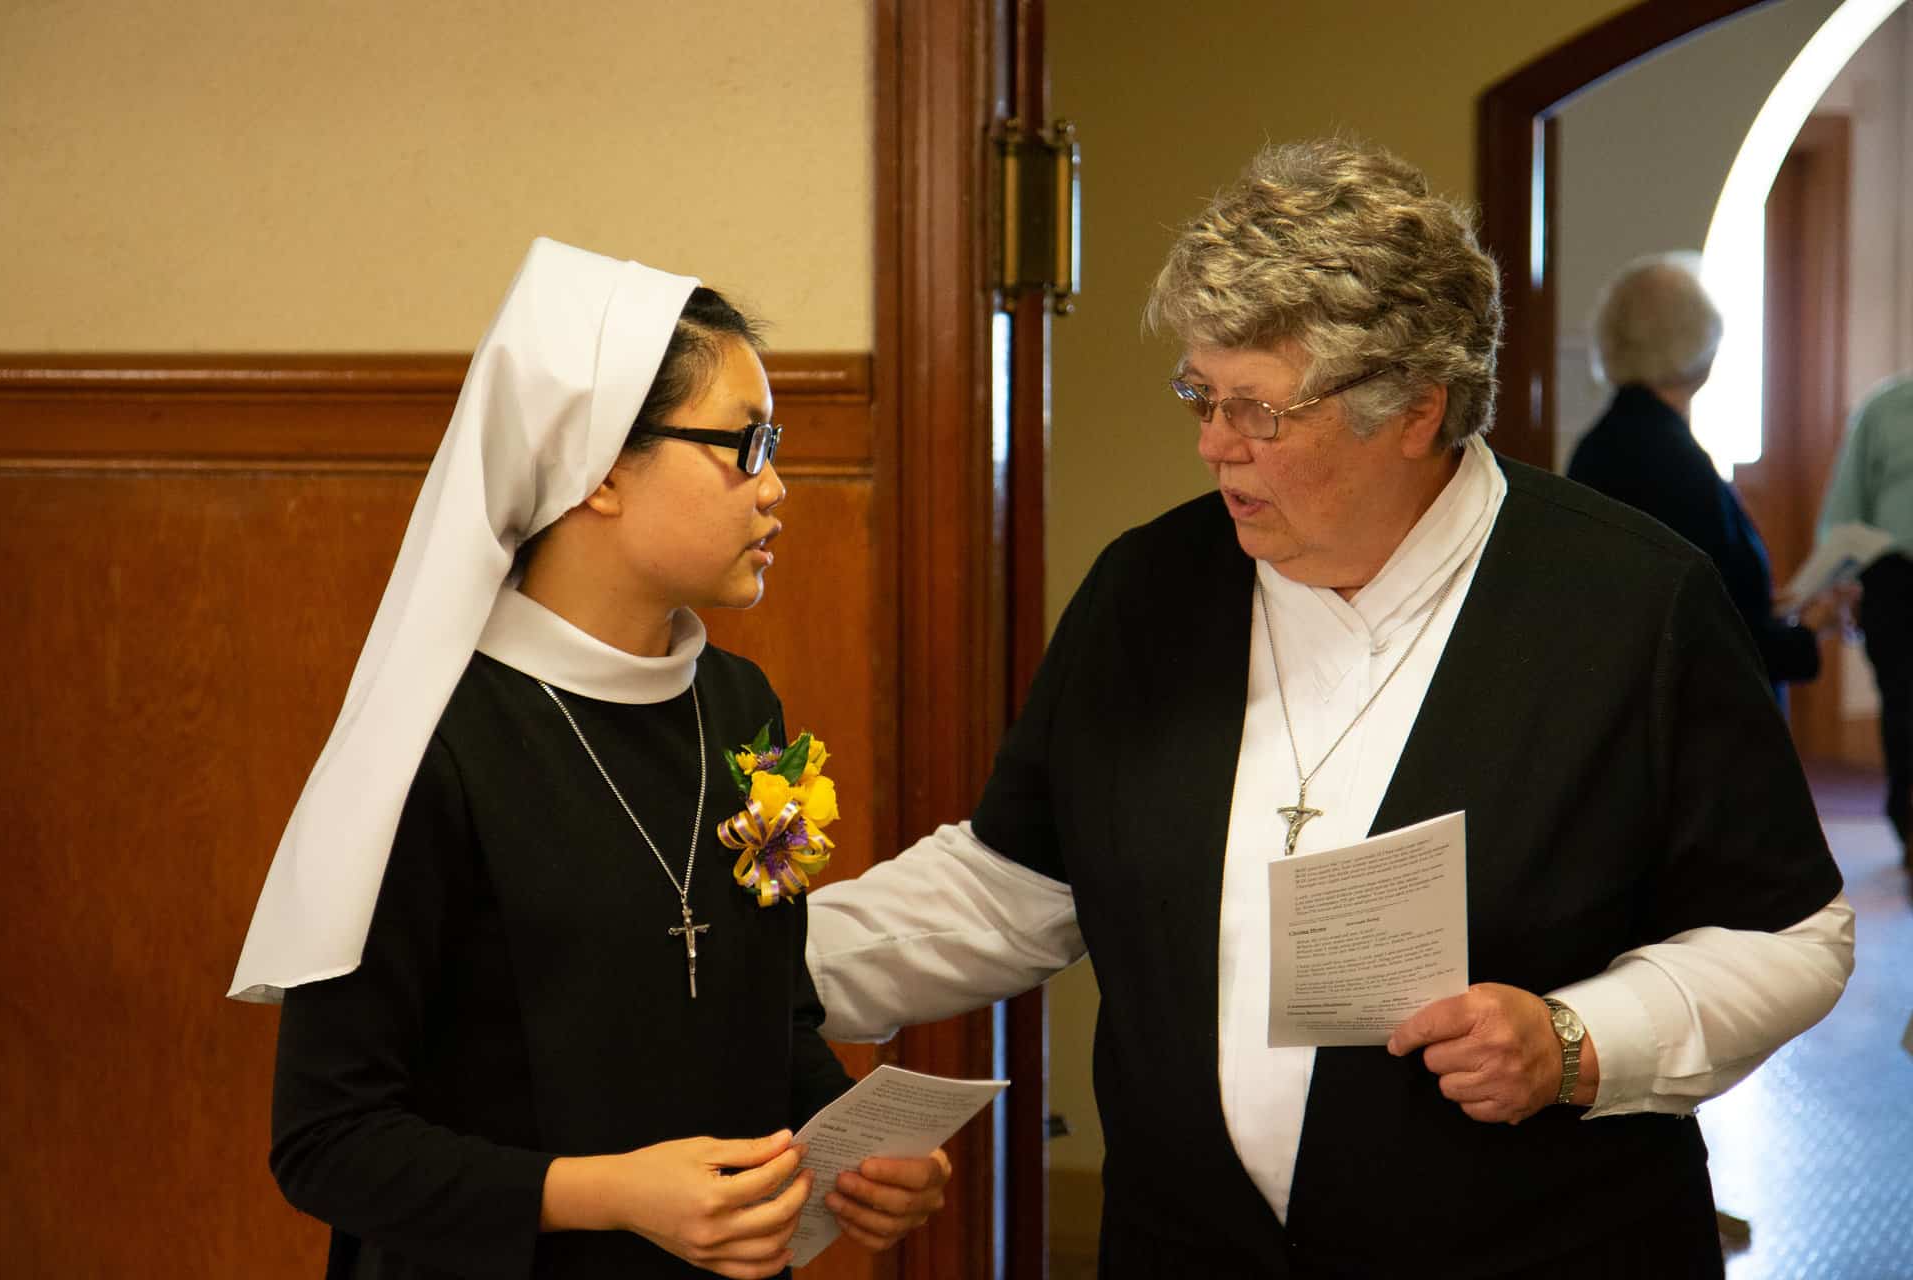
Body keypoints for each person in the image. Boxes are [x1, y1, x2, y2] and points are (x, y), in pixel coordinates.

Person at [804, 141, 1854, 1277]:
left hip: (1539, 1245)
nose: (1214, 444)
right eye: (1201, 396)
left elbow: (1791, 935)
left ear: (1416, 408)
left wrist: (1575, 1042)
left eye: (1258, 409)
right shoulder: (1148, 591)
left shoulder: (1627, 607)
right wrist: (757, 967)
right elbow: (1017, 884)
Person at [228, 239, 948, 1279]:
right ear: (603, 467)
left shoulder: (740, 709)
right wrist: (608, 1191)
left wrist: (843, 1139)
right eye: (743, 446)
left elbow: (769, 1016)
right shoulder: (434, 742)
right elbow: (328, 1140)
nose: (777, 485)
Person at [1566, 252, 1848, 701]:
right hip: (1693, 728)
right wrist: (1805, 631)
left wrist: (1766, 610)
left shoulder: (1602, 445)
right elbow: (1705, 634)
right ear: (1698, 345)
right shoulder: (1673, 462)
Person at [1818, 371, 1913, 867]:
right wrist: (1840, 577)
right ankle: (1909, 825)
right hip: (1895, 576)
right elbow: (1845, 510)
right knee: (1903, 703)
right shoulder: (1884, 410)